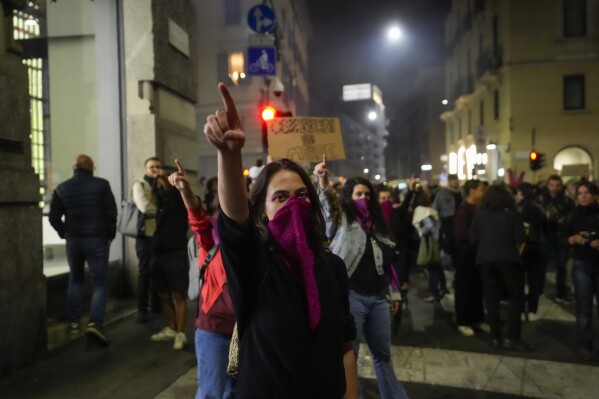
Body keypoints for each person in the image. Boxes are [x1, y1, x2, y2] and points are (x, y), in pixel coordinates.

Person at [204, 83, 358, 399]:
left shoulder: (332, 267)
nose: (293, 204)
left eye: (302, 195)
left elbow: (345, 345)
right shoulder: (255, 265)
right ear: (262, 211)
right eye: (280, 197)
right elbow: (235, 222)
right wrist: (229, 157)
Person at [314, 157, 407, 399]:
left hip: (378, 299)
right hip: (352, 296)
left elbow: (389, 264)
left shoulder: (379, 225)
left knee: (383, 355)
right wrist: (322, 180)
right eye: (357, 194)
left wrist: (394, 293)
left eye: (366, 194)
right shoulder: (343, 221)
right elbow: (327, 204)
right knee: (350, 355)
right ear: (349, 197)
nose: (363, 198)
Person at [168, 159, 236, 398]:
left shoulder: (260, 240)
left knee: (234, 392)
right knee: (211, 392)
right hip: (214, 329)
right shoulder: (211, 239)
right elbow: (197, 218)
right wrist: (185, 190)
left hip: (247, 331)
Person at [49, 154, 117, 347]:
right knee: (100, 283)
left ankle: (73, 322)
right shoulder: (102, 185)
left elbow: (53, 218)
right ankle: (95, 323)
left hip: (74, 241)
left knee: (75, 279)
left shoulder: (62, 188)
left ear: (74, 167)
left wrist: (65, 233)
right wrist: (110, 234)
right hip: (97, 239)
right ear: (91, 167)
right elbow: (111, 213)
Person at [470, 184, 529, 351]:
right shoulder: (512, 215)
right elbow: (520, 237)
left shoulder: (479, 216)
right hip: (508, 259)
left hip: (485, 260)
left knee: (491, 299)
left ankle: (496, 338)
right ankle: (513, 337)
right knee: (516, 297)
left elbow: (473, 240)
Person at [149, 163, 189, 350]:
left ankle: (180, 333)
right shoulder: (161, 204)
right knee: (163, 294)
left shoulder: (178, 201)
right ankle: (172, 328)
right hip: (159, 254)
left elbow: (174, 192)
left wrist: (164, 178)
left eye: (162, 181)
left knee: (178, 294)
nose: (159, 185)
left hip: (176, 252)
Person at [565, 181, 599, 361]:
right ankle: (584, 344)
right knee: (583, 307)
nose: (584, 196)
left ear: (594, 195)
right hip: (582, 264)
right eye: (580, 193)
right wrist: (573, 239)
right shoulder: (573, 215)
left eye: (587, 193)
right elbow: (562, 238)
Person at [453, 179, 487, 336]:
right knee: (465, 290)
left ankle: (478, 319)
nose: (484, 191)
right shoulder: (464, 210)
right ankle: (463, 321)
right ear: (472, 191)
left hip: (478, 254)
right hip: (466, 255)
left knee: (477, 289)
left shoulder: (480, 208)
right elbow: (461, 236)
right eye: (481, 189)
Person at [131, 157, 163, 323]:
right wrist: (163, 212)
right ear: (145, 170)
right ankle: (142, 310)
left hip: (160, 235)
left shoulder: (162, 186)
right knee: (144, 272)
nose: (155, 170)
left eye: (158, 167)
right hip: (145, 236)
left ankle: (156, 305)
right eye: (151, 167)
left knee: (157, 271)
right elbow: (144, 207)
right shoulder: (140, 185)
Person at [515, 183, 548, 322]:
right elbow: (545, 228)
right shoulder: (539, 208)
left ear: (521, 193)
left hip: (520, 247)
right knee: (535, 280)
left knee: (519, 280)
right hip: (537, 246)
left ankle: (521, 310)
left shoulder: (515, 208)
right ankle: (532, 310)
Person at [540, 175, 575, 303]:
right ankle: (539, 290)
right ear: (548, 185)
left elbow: (573, 216)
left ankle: (561, 293)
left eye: (557, 185)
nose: (554, 188)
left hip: (561, 237)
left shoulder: (566, 200)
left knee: (562, 267)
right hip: (546, 236)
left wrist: (564, 221)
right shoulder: (541, 199)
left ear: (560, 186)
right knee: (541, 265)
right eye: (551, 185)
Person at [413, 187, 448, 303]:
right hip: (436, 242)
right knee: (437, 266)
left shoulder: (421, 211)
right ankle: (442, 287)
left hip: (429, 243)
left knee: (431, 267)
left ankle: (434, 293)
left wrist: (422, 232)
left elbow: (429, 226)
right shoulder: (430, 209)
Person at [432, 174, 462, 259]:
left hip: (460, 224)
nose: (455, 181)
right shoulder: (442, 194)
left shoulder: (463, 193)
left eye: (456, 179)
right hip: (447, 225)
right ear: (449, 181)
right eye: (453, 179)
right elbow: (435, 209)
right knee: (448, 249)